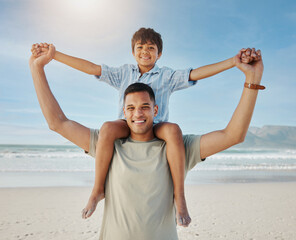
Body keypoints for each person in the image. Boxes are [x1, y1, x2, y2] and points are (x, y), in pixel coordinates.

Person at [29, 43, 263, 239]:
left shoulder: (177, 148)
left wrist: (253, 79)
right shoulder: (108, 146)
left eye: (144, 107)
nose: (137, 114)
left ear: (156, 109)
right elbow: (57, 122)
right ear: (124, 111)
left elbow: (233, 135)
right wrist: (37, 69)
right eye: (130, 108)